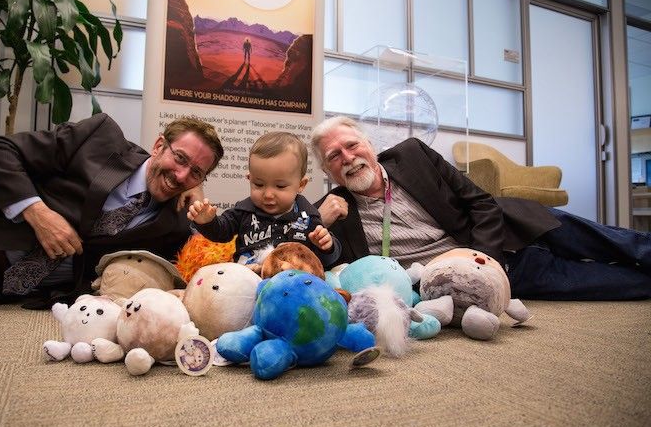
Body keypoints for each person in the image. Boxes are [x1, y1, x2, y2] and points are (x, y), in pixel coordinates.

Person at [0, 113, 224, 309]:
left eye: (196, 172)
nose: (181, 175)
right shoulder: (100, 138)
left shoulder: (172, 224)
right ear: (159, 145)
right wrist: (36, 212)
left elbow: (199, 268)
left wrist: (197, 192)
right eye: (179, 158)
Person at [310, 116, 651, 301]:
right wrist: (319, 221)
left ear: (370, 145)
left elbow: (480, 201)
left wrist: (489, 260)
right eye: (334, 157)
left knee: (618, 243)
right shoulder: (332, 213)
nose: (348, 158)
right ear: (328, 172)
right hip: (491, 281)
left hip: (507, 231)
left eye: (352, 145)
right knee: (616, 284)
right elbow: (293, 253)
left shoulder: (411, 155)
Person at [188, 131, 340, 269]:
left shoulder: (308, 217)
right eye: (258, 184)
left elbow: (323, 262)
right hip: (247, 277)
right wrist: (206, 222)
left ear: (301, 185)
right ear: (249, 179)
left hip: (289, 280)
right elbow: (221, 232)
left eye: (280, 186)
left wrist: (327, 246)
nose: (268, 194)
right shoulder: (243, 211)